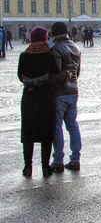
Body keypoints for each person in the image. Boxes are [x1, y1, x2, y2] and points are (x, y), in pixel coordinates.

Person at [18, 26, 57, 178]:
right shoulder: (49, 55)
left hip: (29, 97)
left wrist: (29, 82)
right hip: (46, 98)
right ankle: (45, 168)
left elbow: (20, 76)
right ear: (45, 38)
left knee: (28, 133)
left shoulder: (24, 55)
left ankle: (28, 167)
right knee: (46, 133)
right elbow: (52, 75)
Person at [49, 21, 82, 172]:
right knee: (73, 126)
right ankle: (75, 159)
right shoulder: (75, 47)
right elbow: (78, 72)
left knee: (57, 127)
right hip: (73, 90)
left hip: (59, 92)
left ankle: (58, 160)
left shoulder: (55, 48)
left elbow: (54, 73)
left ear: (54, 33)